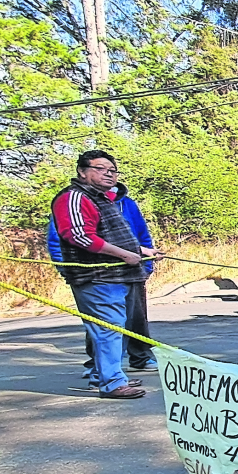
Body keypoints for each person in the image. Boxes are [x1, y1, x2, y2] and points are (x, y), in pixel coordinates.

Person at [50, 150, 157, 399]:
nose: (108, 174)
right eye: (100, 168)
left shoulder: (103, 199)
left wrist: (143, 251)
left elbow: (111, 235)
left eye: (112, 170)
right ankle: (111, 383)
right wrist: (123, 255)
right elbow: (79, 236)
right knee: (108, 329)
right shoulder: (73, 197)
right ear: (82, 171)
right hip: (98, 277)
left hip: (120, 275)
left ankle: (108, 374)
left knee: (118, 328)